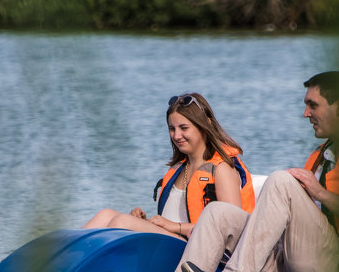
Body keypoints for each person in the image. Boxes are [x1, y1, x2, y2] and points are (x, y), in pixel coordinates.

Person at [138, 71, 339, 272]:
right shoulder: (324, 156)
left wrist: (320, 193)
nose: (305, 113)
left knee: (281, 181)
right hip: (300, 261)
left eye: (313, 105)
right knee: (217, 213)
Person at [83, 92, 255, 240]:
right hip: (171, 241)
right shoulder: (180, 169)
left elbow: (232, 228)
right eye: (172, 128)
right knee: (105, 215)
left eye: (184, 128)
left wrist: (174, 226)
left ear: (205, 126)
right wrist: (144, 221)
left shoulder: (222, 169)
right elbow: (171, 219)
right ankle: (64, 264)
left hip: (199, 250)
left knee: (121, 223)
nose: (177, 135)